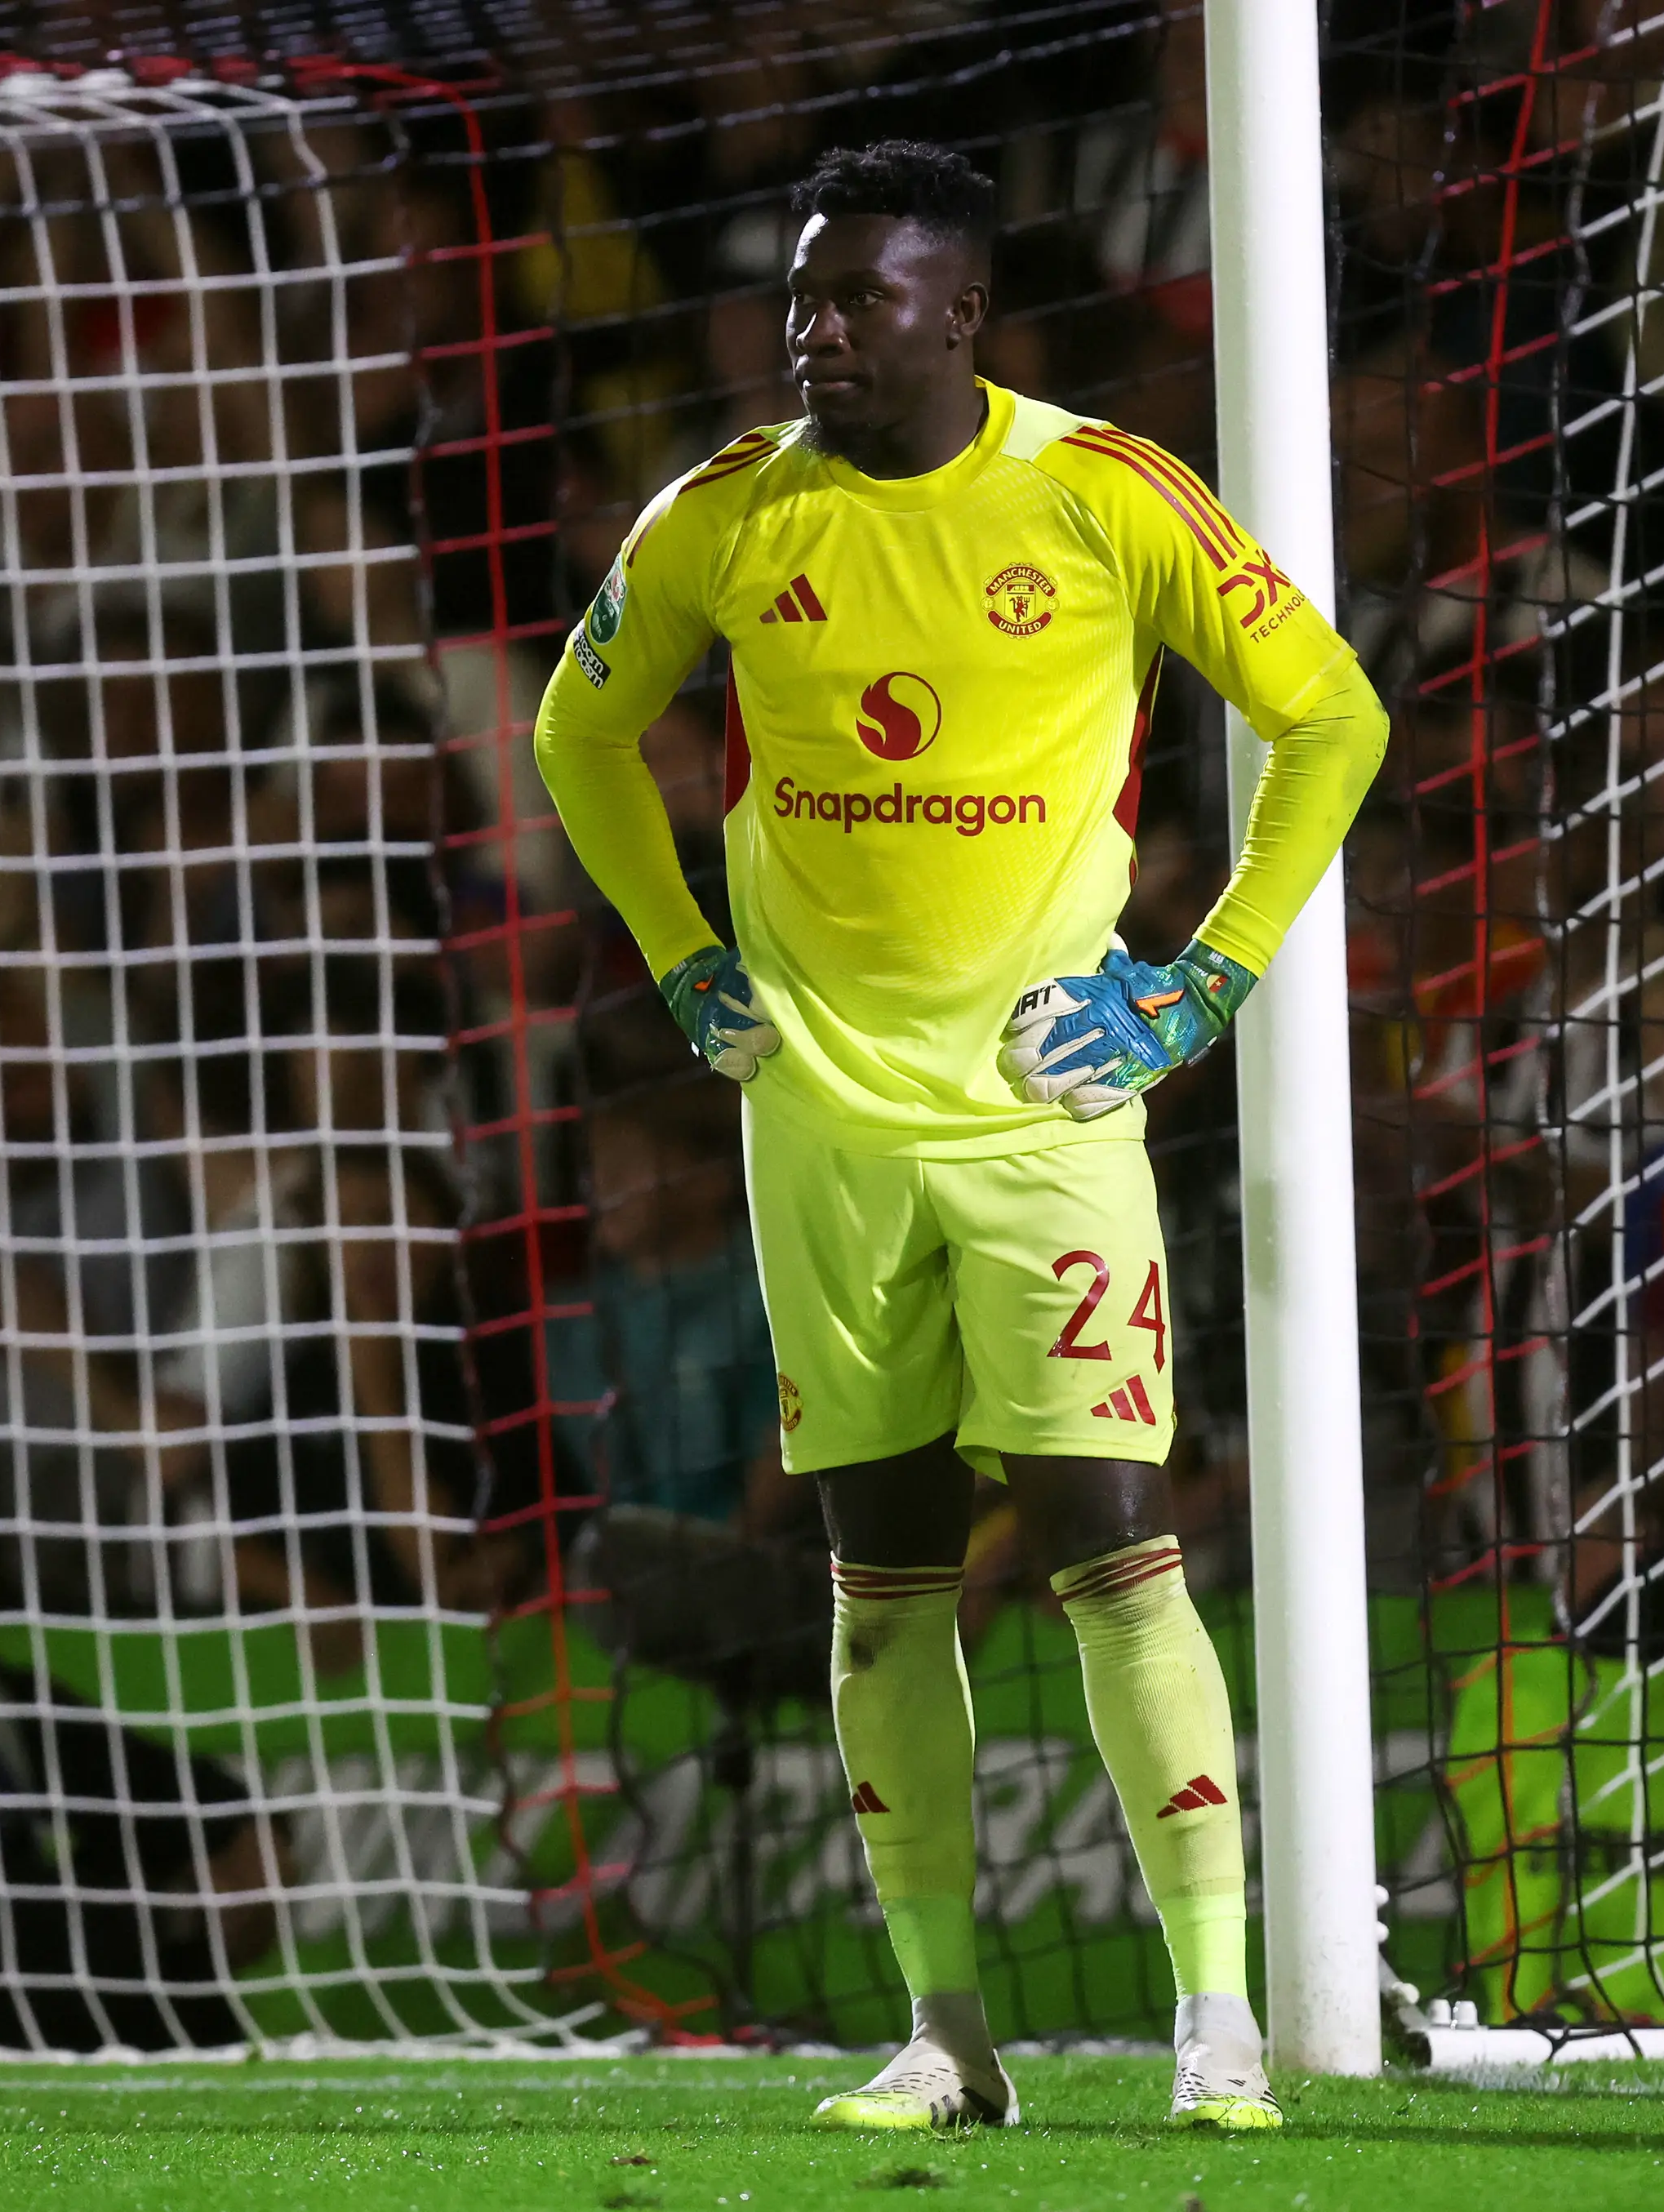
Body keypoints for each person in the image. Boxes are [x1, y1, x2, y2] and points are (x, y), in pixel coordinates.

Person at [532, 140, 1385, 2132]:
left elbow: (1331, 712)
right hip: (816, 1121)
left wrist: (1204, 982)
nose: (813, 330)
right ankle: (945, 2037)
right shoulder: (729, 516)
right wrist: (676, 954)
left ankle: (1216, 2021)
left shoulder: (1100, 496)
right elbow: (577, 731)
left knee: (1109, 1537)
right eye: (800, 298)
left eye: (859, 300)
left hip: (1042, 1108)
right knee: (881, 1567)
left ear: (963, 313)